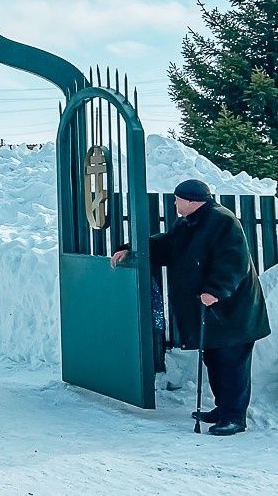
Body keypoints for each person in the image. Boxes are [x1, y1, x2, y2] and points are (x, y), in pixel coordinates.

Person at [111, 179, 270, 436]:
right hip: (214, 312)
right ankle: (223, 409)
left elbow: (234, 260)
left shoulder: (223, 221)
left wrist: (216, 290)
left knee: (232, 363)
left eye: (177, 199)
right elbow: (167, 246)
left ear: (192, 201)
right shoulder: (188, 223)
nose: (174, 203)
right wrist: (131, 249)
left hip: (233, 311)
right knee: (215, 360)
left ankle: (234, 417)